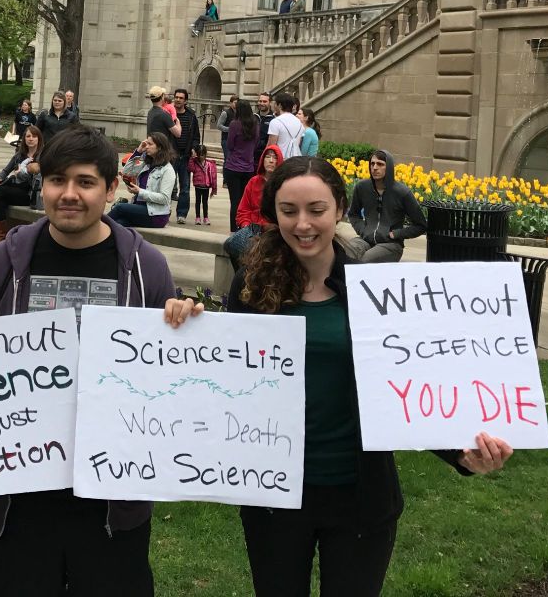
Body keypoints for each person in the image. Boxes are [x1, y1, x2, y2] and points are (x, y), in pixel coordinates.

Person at [164, 157, 514, 597]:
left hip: (360, 494)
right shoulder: (252, 286)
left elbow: (404, 385)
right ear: (274, 213)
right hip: (274, 493)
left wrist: (462, 454)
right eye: (289, 210)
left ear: (340, 209)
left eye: (316, 209)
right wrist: (188, 328)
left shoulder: (373, 292)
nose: (303, 223)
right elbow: (229, 380)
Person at [0, 125, 174, 596]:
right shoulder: (4, 263)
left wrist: (185, 326)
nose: (69, 194)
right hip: (17, 500)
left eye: (85, 182)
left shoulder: (147, 269)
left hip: (109, 503)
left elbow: (169, 379)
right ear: (41, 183)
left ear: (110, 189)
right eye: (56, 180)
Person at [347, 149, 427, 262]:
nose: (375, 167)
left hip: (391, 245)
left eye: (380, 164)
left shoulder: (402, 192)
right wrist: (363, 231)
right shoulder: (362, 187)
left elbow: (421, 225)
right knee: (347, 252)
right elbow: (353, 214)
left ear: (388, 167)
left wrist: (397, 234)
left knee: (366, 260)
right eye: (372, 163)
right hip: (366, 239)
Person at [0, 126, 44, 242]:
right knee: (0, 200)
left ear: (39, 139)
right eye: (28, 136)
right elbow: (6, 170)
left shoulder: (43, 157)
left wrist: (29, 171)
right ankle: (1, 239)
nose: (31, 139)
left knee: (1, 191)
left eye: (34, 136)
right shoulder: (19, 155)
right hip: (15, 191)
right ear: (24, 139)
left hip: (30, 195)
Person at [225, 143, 282, 269]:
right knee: (231, 244)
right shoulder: (254, 182)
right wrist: (246, 227)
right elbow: (243, 210)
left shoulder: (283, 186)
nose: (271, 160)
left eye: (275, 157)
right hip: (252, 228)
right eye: (268, 157)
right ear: (262, 160)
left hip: (272, 232)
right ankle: (242, 279)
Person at [108, 133, 176, 229]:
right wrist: (138, 152)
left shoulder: (167, 170)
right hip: (139, 209)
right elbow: (126, 172)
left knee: (120, 207)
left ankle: (94, 229)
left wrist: (140, 191)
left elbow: (164, 198)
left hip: (156, 215)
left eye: (150, 144)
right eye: (146, 143)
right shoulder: (146, 164)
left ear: (160, 147)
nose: (146, 147)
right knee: (118, 224)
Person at [224, 99, 259, 231]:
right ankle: (244, 227)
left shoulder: (234, 124)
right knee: (246, 202)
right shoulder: (255, 124)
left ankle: (234, 229)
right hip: (248, 167)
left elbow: (230, 145)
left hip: (233, 166)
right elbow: (256, 143)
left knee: (235, 201)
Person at [171, 88, 201, 224]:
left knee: (185, 187)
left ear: (186, 101)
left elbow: (196, 136)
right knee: (167, 186)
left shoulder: (191, 116)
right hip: (170, 155)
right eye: (176, 97)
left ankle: (181, 214)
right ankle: (164, 211)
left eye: (181, 98)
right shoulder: (168, 113)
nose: (178, 99)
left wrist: (194, 148)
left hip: (185, 156)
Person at [268, 92, 304, 160]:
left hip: (280, 159)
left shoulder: (275, 122)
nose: (273, 105)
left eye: (275, 103)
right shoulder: (299, 122)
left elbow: (271, 146)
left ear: (280, 105)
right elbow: (298, 144)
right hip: (296, 159)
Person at [188, 145, 217, 224]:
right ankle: (197, 217)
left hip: (206, 187)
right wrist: (192, 158)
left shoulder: (209, 164)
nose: (201, 157)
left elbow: (214, 176)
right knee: (197, 202)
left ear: (205, 154)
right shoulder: (195, 162)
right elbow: (191, 169)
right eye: (199, 154)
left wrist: (214, 188)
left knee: (205, 202)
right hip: (198, 186)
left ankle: (205, 217)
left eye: (203, 155)